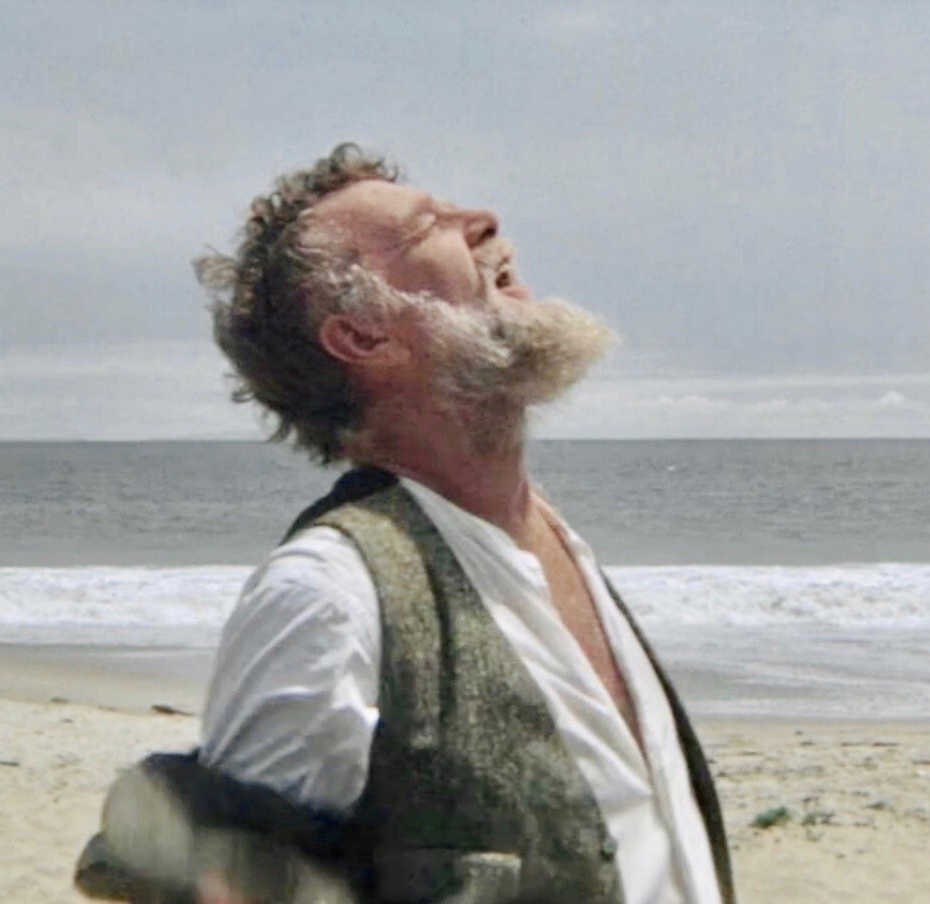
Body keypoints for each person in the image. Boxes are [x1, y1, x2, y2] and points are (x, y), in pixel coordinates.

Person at [76, 144, 734, 904]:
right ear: (363, 337)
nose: (484, 221)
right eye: (429, 227)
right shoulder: (324, 595)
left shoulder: (553, 536)